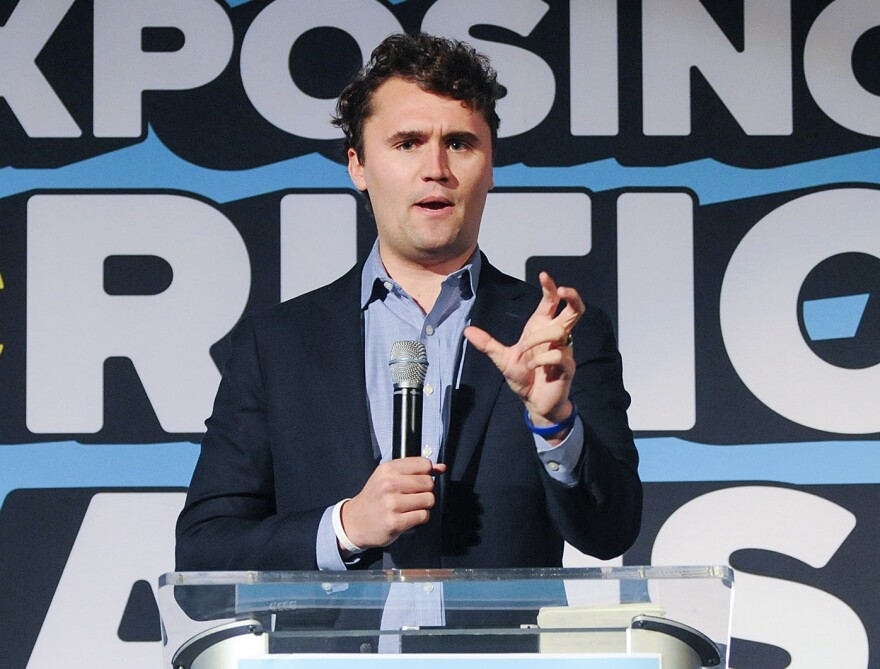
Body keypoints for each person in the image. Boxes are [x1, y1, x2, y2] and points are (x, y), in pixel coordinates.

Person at [175, 33, 641, 576]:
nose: (436, 168)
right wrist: (346, 527)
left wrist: (554, 423)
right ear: (358, 166)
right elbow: (203, 555)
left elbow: (612, 534)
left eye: (460, 143)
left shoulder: (555, 335)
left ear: (490, 167)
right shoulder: (276, 344)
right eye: (407, 143)